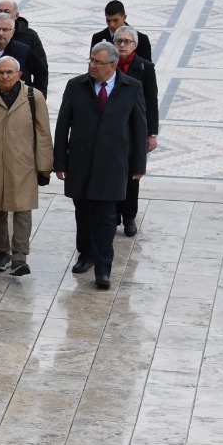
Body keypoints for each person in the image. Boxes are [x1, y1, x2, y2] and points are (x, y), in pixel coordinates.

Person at [55, 43, 148, 289]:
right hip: (81, 163)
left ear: (113, 65)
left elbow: (139, 128)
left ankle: (103, 268)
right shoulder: (76, 86)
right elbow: (63, 125)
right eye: (91, 60)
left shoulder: (132, 87)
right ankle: (85, 254)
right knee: (84, 213)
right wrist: (59, 161)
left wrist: (139, 165)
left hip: (112, 166)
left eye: (98, 62)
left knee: (106, 218)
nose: (92, 65)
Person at [0, 56, 52, 277]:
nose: (5, 76)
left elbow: (43, 133)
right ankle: (1, 253)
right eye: (1, 72)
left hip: (24, 165)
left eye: (9, 72)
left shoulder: (34, 97)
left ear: (19, 74)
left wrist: (45, 165)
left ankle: (20, 256)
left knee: (23, 210)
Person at [111, 25, 159, 236]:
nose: (122, 45)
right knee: (112, 174)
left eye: (126, 41)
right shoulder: (106, 64)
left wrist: (151, 133)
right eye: (118, 41)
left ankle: (129, 217)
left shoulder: (145, 67)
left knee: (132, 175)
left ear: (135, 45)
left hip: (134, 130)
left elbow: (151, 100)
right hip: (112, 129)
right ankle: (113, 216)